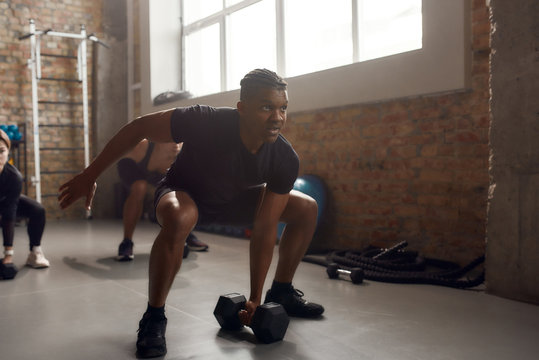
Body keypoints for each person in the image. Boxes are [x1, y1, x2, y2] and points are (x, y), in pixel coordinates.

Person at [58, 69, 324, 358]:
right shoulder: (204, 120)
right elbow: (139, 128)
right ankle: (154, 317)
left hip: (234, 201)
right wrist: (90, 174)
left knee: (306, 207)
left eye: (282, 108)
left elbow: (264, 226)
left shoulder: (283, 157)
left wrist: (256, 298)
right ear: (242, 109)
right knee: (180, 217)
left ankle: (282, 290)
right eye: (266, 107)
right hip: (184, 192)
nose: (277, 117)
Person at [116, 139, 209, 261]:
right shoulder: (142, 147)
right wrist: (91, 175)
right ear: (158, 140)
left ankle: (186, 236)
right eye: (171, 140)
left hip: (160, 174)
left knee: (182, 191)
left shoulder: (183, 154)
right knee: (140, 187)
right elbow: (115, 156)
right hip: (133, 166)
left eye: (179, 141)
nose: (176, 145)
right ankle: (126, 242)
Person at [0, 129, 49, 280]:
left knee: (37, 210)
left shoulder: (14, 177)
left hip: (5, 202)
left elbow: (9, 213)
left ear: (8, 151)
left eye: (1, 150)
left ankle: (35, 252)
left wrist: (8, 255)